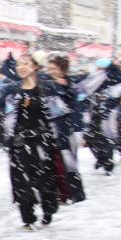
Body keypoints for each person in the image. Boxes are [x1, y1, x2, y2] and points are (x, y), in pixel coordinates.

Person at [0, 54, 61, 229]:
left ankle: (48, 208)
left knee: (45, 179)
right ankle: (28, 217)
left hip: (43, 141)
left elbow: (64, 105)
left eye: (26, 63)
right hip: (19, 142)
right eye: (19, 64)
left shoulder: (48, 87)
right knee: (22, 181)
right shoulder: (12, 89)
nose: (21, 67)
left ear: (35, 66)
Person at [45, 53, 86, 203]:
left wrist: (78, 130)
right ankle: (60, 193)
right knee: (52, 162)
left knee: (69, 162)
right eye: (49, 68)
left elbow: (77, 108)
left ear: (63, 69)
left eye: (54, 68)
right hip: (49, 128)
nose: (50, 71)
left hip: (66, 129)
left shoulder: (72, 85)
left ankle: (75, 194)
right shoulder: (46, 83)